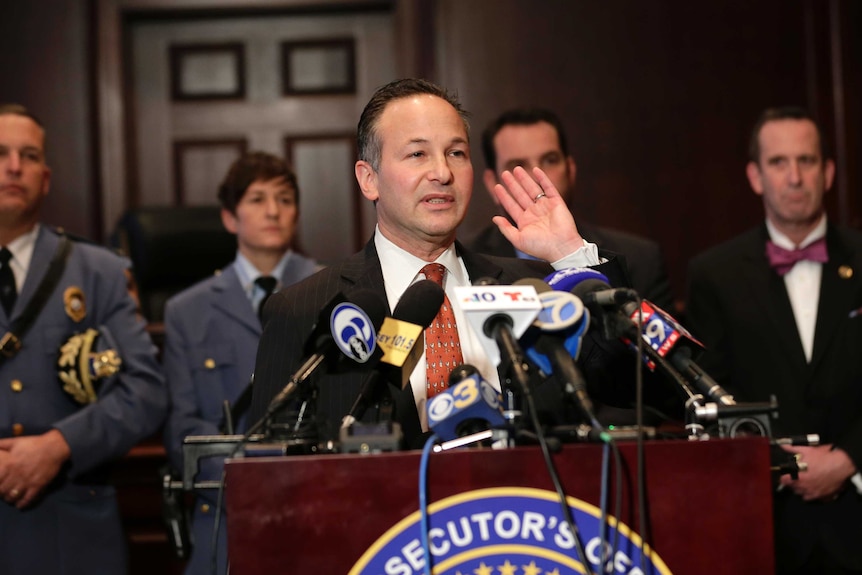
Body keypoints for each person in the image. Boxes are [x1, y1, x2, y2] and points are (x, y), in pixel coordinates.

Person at [248, 79, 666, 449]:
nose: (442, 173)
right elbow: (272, 472)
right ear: (368, 178)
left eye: (456, 153)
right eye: (417, 154)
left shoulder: (534, 288)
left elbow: (636, 390)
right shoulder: (304, 311)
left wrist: (571, 255)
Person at [685, 107, 862, 574]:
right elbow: (709, 391)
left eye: (806, 161)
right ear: (756, 176)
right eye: (779, 163)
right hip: (764, 517)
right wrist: (783, 462)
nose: (795, 177)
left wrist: (848, 459)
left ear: (827, 173)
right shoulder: (714, 274)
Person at [0, 104, 167, 574]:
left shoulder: (99, 272)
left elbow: (146, 390)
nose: (14, 166)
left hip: (68, 532)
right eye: (2, 153)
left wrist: (57, 445)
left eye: (29, 156)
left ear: (46, 178)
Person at [162, 151, 320, 575]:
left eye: (285, 199)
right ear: (230, 218)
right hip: (223, 518)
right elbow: (182, 425)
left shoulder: (336, 294)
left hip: (315, 507)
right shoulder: (186, 311)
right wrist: (247, 481)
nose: (273, 210)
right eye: (257, 199)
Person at [469, 107, 673, 311]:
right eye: (518, 165)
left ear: (571, 170)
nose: (537, 175)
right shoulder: (466, 261)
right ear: (491, 182)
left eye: (550, 160)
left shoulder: (640, 259)